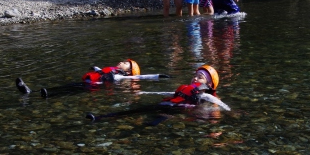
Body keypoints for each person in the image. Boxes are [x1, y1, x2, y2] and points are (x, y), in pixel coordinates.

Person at [86, 64, 230, 125]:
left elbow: (218, 104)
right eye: (195, 75)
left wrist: (229, 111)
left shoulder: (206, 96)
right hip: (166, 105)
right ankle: (99, 117)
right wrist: (146, 92)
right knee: (134, 111)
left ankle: (146, 128)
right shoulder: (186, 89)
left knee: (154, 122)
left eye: (200, 77)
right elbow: (167, 93)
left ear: (209, 85)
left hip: (175, 111)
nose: (195, 78)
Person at [16, 59, 169, 98]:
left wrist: (157, 76)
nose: (121, 62)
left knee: (70, 91)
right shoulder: (114, 69)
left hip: (93, 86)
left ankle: (44, 94)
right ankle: (31, 91)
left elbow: (142, 76)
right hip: (89, 81)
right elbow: (100, 70)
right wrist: (95, 68)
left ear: (129, 72)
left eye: (125, 64)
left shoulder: (122, 77)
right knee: (69, 86)